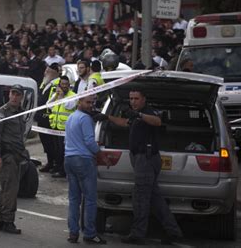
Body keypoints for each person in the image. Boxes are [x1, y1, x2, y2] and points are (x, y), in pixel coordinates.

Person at [93, 89, 183, 245]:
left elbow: (157, 121)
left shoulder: (147, 112)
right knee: (155, 199)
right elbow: (125, 123)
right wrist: (108, 117)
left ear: (144, 99)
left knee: (140, 198)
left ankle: (137, 234)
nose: (133, 102)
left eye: (136, 98)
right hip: (141, 159)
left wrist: (139, 115)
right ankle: (173, 231)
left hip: (146, 159)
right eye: (131, 99)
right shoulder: (135, 114)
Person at [64, 95, 107, 244]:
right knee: (90, 199)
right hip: (83, 160)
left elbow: (67, 139)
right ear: (79, 102)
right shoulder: (85, 119)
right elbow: (90, 141)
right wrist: (101, 155)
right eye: (87, 102)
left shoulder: (71, 118)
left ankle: (73, 233)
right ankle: (89, 233)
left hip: (69, 159)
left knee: (74, 199)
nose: (90, 105)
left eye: (92, 103)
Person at [0, 84, 30, 234]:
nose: (14, 97)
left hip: (16, 156)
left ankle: (0, 220)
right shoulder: (3, 112)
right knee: (10, 190)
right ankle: (7, 221)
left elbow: (20, 135)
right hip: (7, 157)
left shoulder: (20, 112)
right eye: (12, 94)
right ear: (9, 95)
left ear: (21, 97)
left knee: (6, 189)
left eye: (17, 94)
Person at [47, 76, 76, 178]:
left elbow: (69, 106)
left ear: (69, 85)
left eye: (66, 84)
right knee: (57, 150)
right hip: (55, 127)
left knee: (63, 151)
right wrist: (56, 96)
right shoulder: (57, 95)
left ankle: (63, 171)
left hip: (65, 129)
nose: (64, 86)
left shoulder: (73, 95)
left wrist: (62, 97)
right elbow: (48, 105)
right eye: (62, 84)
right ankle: (58, 167)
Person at [35, 63, 60, 173]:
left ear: (53, 73)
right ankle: (50, 162)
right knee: (46, 142)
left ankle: (55, 163)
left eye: (47, 71)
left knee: (52, 143)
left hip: (49, 118)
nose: (45, 73)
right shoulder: (46, 83)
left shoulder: (56, 85)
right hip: (42, 118)